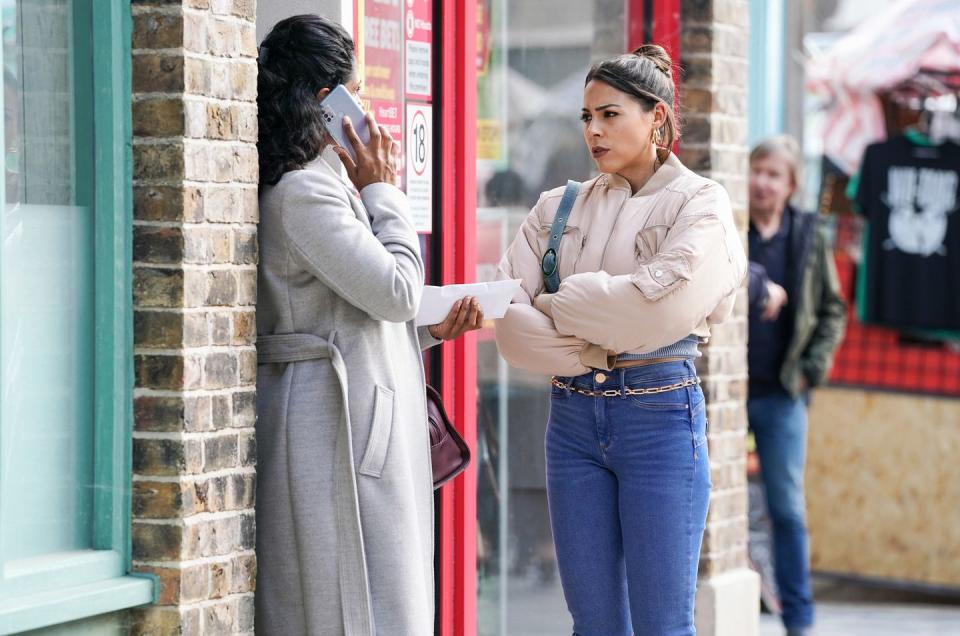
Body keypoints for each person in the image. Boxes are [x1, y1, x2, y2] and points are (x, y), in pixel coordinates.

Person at [494, 44, 747, 635]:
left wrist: (556, 306)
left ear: (656, 117)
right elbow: (509, 322)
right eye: (587, 117)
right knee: (594, 625)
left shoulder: (701, 203)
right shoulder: (559, 206)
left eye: (610, 115)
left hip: (660, 419)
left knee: (663, 625)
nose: (594, 131)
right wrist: (595, 333)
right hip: (572, 422)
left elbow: (652, 313)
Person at [254, 15, 481, 635]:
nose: (371, 109)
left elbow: (371, 305)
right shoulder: (305, 193)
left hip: (357, 412)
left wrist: (437, 327)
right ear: (328, 104)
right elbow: (397, 288)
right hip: (331, 423)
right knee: (347, 602)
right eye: (358, 92)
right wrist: (386, 190)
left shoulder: (325, 184)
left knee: (380, 598)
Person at [746, 135, 846, 636]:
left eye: (773, 175)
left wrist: (810, 370)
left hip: (782, 392)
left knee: (785, 507)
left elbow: (833, 310)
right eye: (756, 170)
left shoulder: (808, 234)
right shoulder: (729, 230)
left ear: (789, 186)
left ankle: (799, 619)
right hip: (726, 394)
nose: (761, 182)